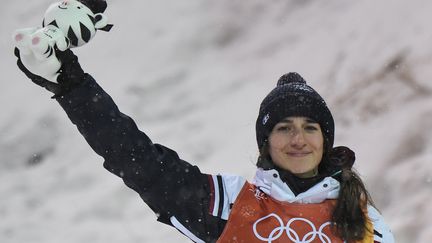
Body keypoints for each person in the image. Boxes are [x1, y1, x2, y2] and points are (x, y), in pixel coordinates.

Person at [14, 5, 394, 243]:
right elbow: (137, 160)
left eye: (311, 127)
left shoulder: (363, 222)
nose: (298, 138)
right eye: (283, 127)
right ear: (266, 143)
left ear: (326, 140)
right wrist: (71, 84)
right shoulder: (230, 204)